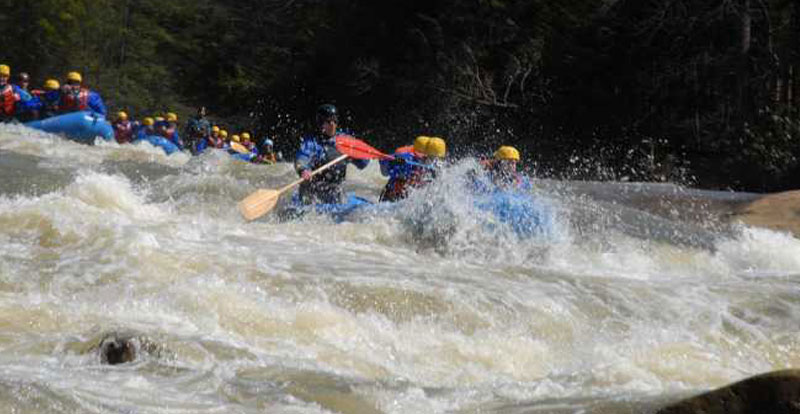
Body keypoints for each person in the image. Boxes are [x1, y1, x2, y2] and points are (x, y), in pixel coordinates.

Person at [295, 104, 369, 204]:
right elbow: (301, 159)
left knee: (337, 191)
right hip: (313, 189)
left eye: (335, 120)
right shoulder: (312, 143)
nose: (332, 124)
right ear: (321, 123)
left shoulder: (345, 141)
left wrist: (358, 153)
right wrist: (303, 170)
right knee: (336, 192)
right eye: (329, 121)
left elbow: (363, 164)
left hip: (335, 189)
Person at [378, 135, 430, 202]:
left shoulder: (433, 168)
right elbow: (384, 171)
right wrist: (398, 160)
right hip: (393, 194)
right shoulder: (405, 158)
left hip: (409, 196)